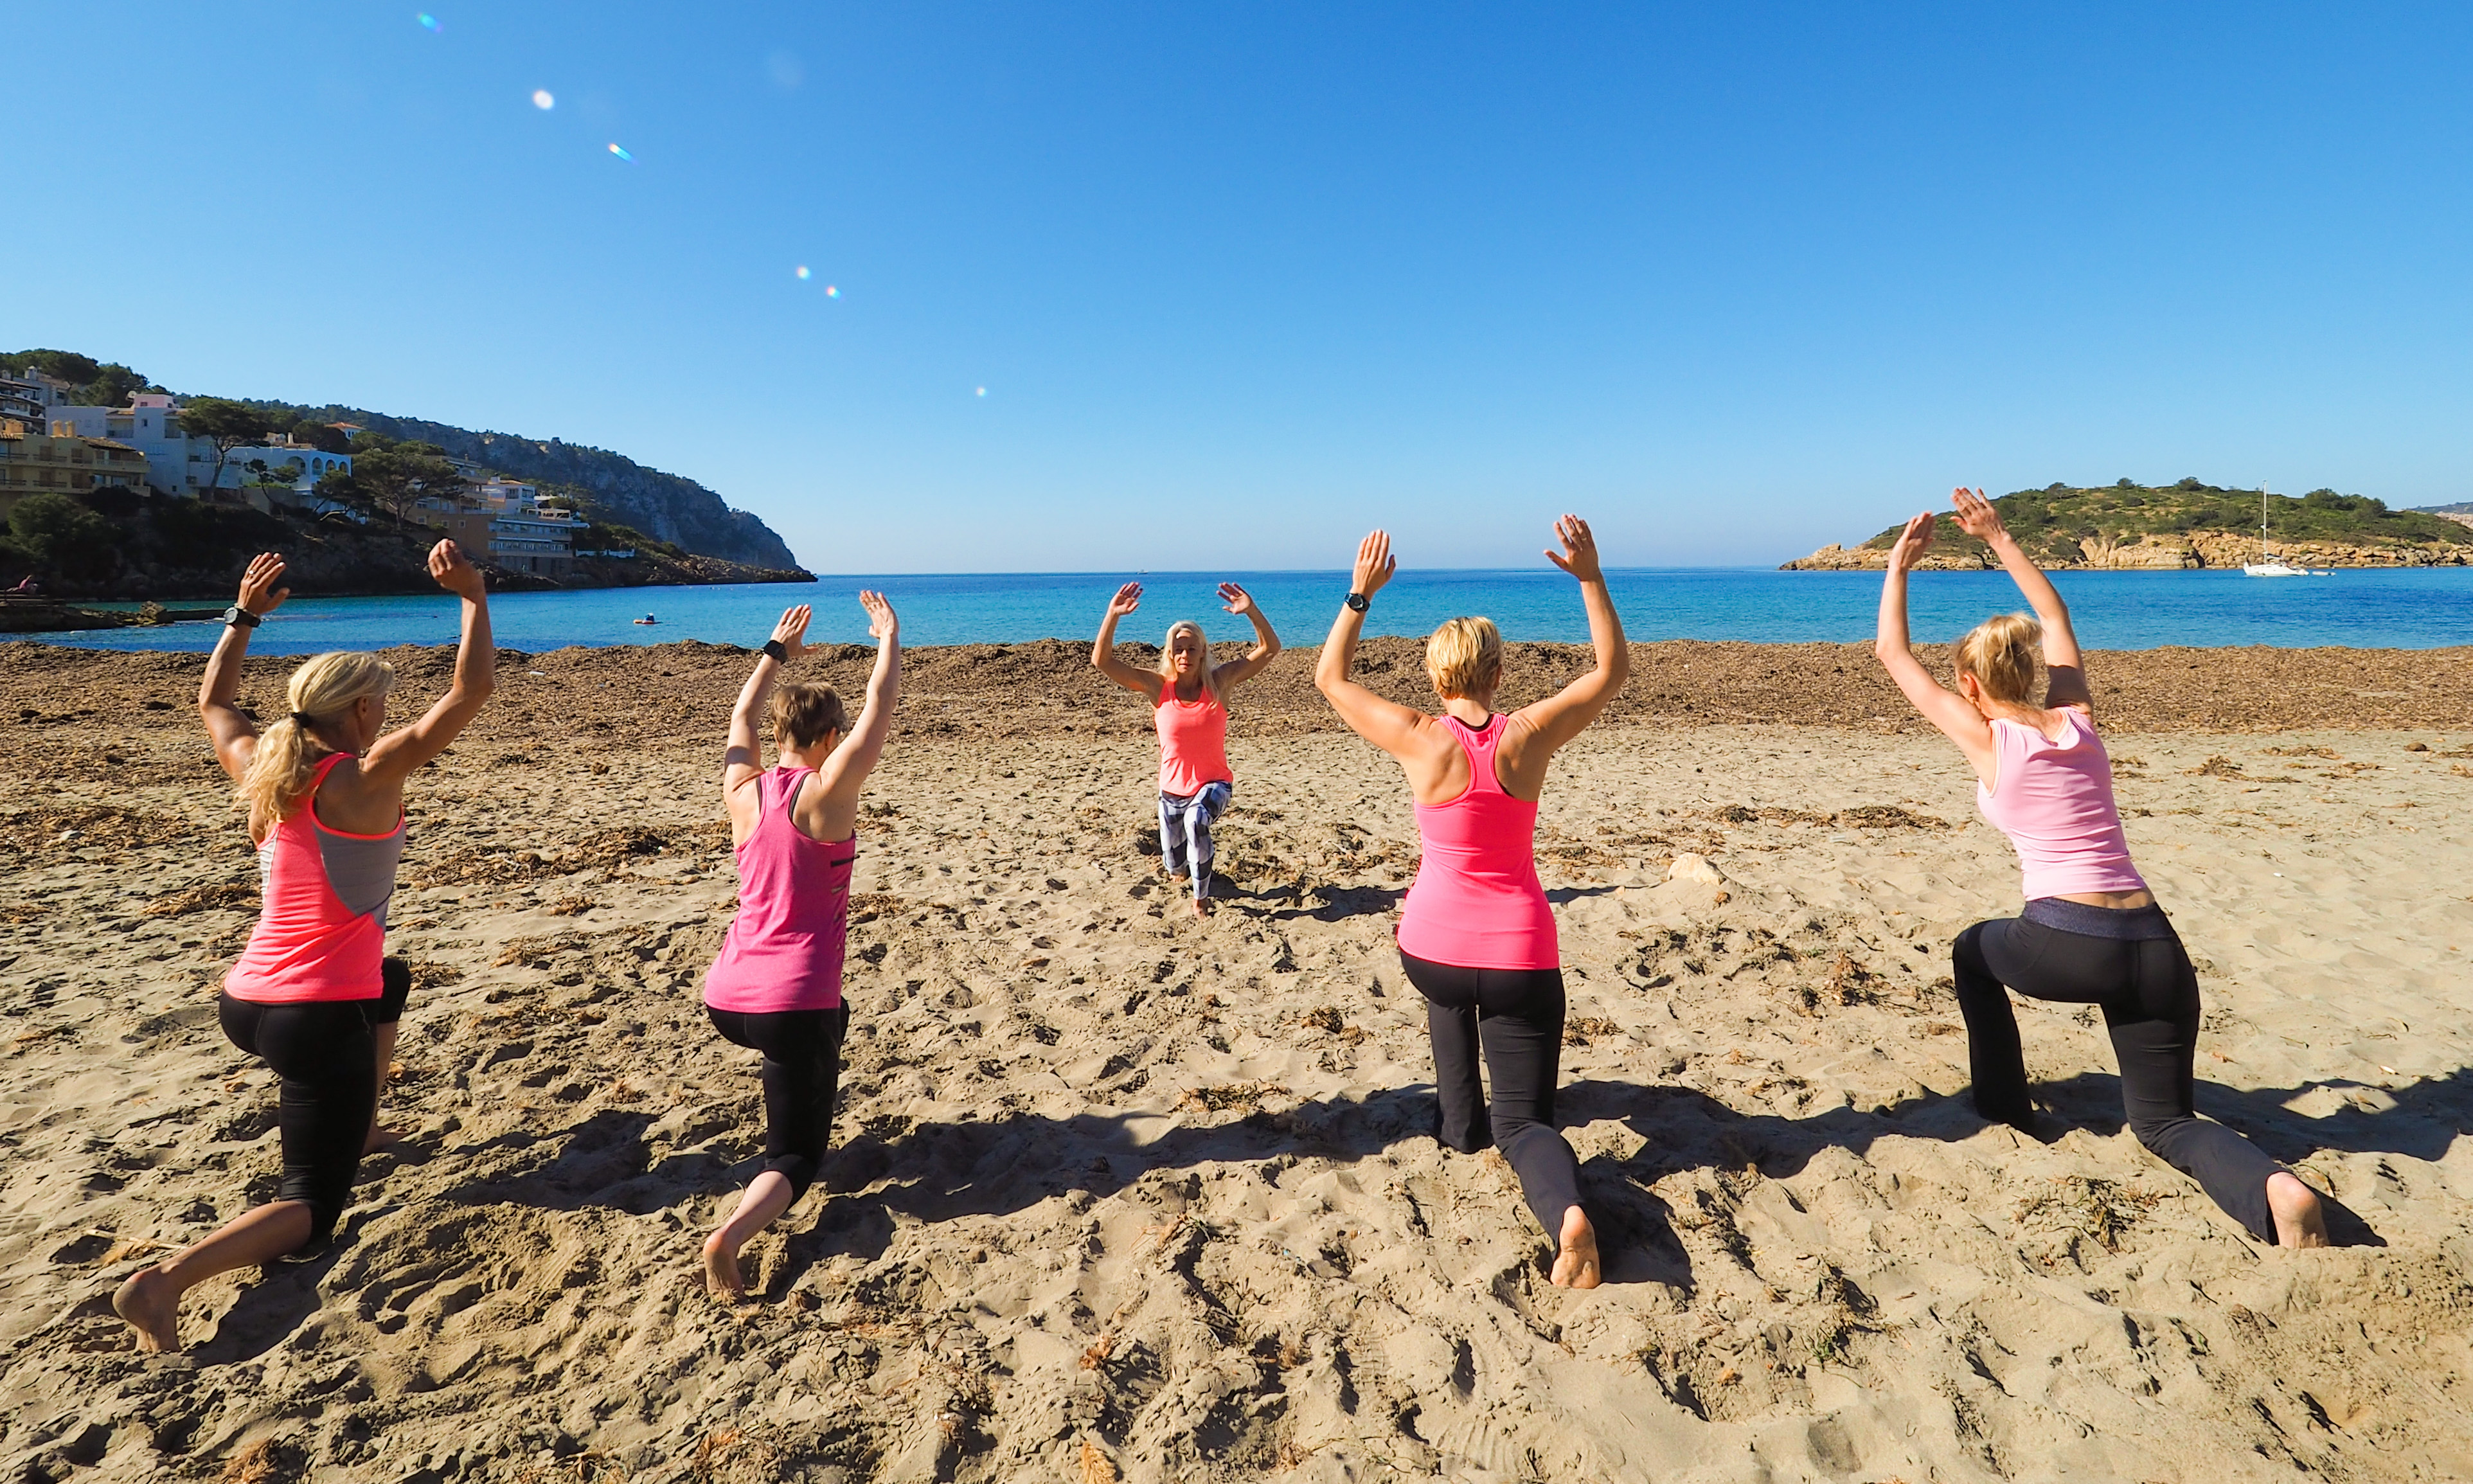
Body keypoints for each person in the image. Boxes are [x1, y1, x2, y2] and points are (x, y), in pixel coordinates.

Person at [1874, 488, 2327, 1248]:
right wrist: (1998, 537)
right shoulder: (2077, 720)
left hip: (2064, 940)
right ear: (2035, 673)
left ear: (1973, 686)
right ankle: (2274, 1188)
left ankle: (2005, 1107)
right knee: (2165, 1121)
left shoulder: (1986, 737)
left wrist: (1898, 567)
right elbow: (2053, 618)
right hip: (2154, 946)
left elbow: (1891, 654)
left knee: (1969, 951)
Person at [115, 542, 496, 1352]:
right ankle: (166, 1281)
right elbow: (471, 690)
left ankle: (363, 1123)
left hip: (247, 999)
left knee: (389, 977)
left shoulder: (262, 765)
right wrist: (472, 594)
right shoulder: (365, 774)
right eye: (383, 703)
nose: (389, 715)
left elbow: (215, 701)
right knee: (313, 1206)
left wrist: (243, 616)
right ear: (359, 712)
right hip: (311, 1016)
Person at [1314, 517, 1628, 1289]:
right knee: (1523, 1122)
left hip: (1432, 950)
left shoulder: (1419, 736)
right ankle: (1567, 1218)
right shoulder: (1525, 734)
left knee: (1456, 1055)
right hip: (1518, 952)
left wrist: (1360, 593)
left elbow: (1328, 678)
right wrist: (1588, 575)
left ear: (1435, 678)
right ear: (1495, 670)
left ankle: (1457, 1129)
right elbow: (1611, 670)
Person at [701, 593, 901, 1299]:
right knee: (796, 1153)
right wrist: (888, 637)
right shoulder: (825, 794)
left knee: (823, 1030)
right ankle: (731, 1236)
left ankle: (794, 1075)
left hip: (726, 996)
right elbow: (879, 708)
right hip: (791, 1001)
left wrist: (774, 652)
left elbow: (736, 720)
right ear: (828, 736)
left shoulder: (742, 789)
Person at [1090, 580, 1283, 916]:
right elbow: (1102, 661)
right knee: (1175, 867)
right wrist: (1113, 614)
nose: (1184, 655)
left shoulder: (1220, 682)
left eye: (1192, 648)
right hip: (1171, 793)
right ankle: (1190, 870)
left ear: (1203, 651)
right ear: (1169, 654)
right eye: (1178, 649)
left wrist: (1251, 611)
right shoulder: (1157, 688)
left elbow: (1270, 649)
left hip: (1215, 785)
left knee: (1197, 820)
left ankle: (1201, 899)